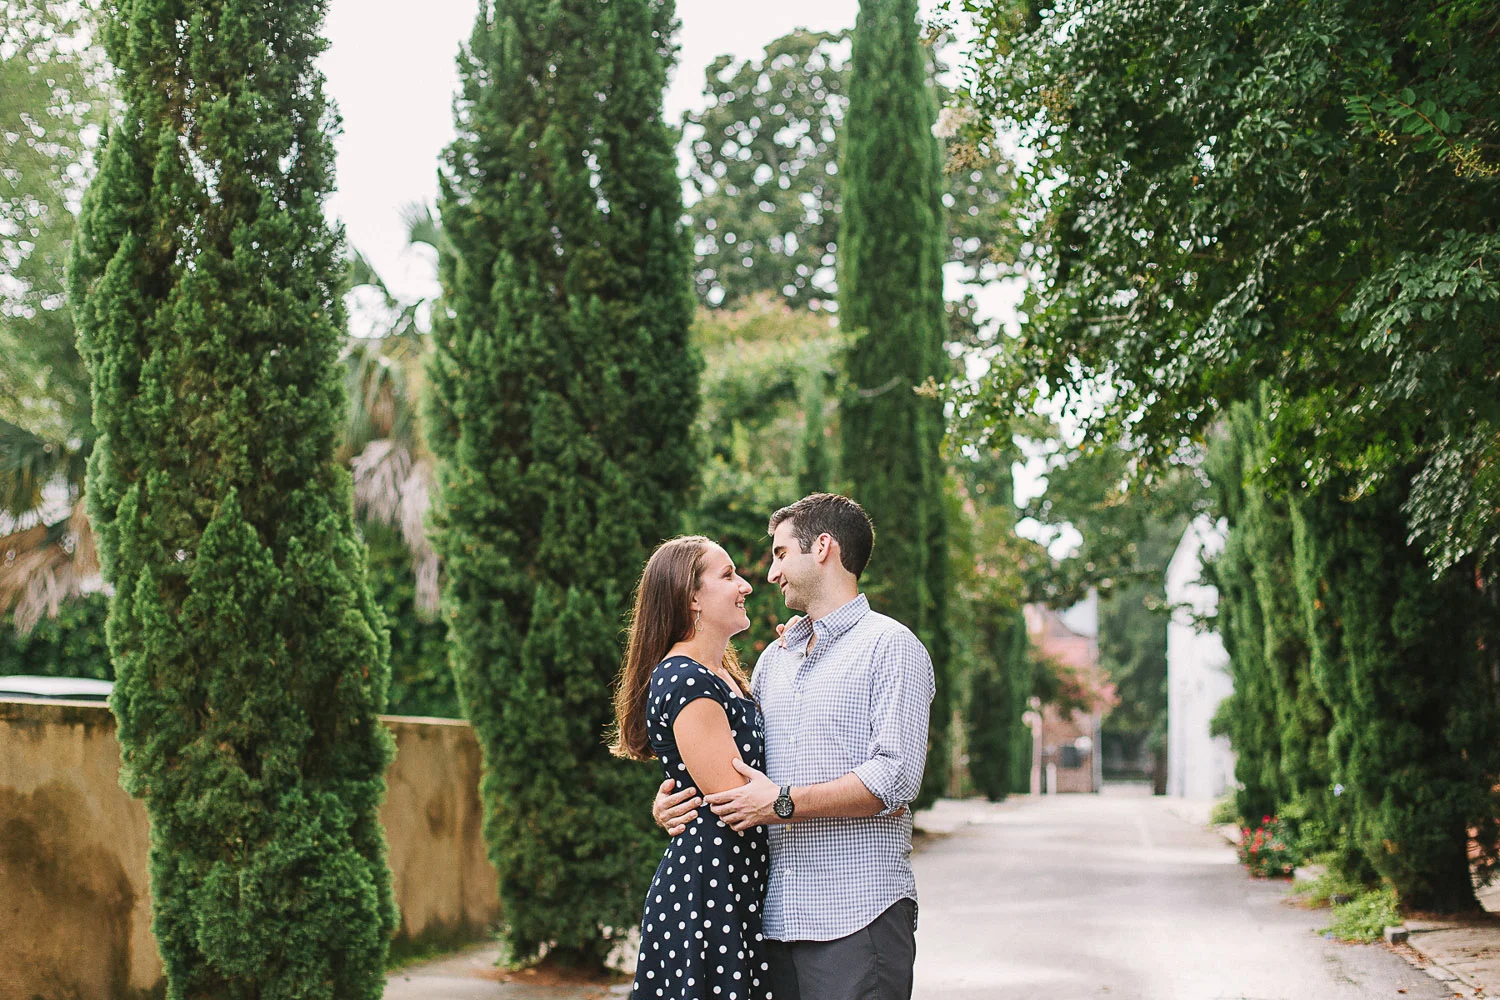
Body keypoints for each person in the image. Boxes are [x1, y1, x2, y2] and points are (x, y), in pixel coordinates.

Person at [652, 493, 935, 1000]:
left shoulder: (891, 647)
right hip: (773, 922)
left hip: (856, 915)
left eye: (781, 554)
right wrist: (676, 797)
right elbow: (733, 755)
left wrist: (782, 803)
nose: (770, 574)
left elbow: (896, 777)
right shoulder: (772, 662)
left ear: (822, 547)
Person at [611, 535, 773, 1000]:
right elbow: (735, 797)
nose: (744, 585)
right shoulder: (685, 678)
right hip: (711, 887)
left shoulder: (722, 672)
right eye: (727, 576)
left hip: (732, 877)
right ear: (692, 598)